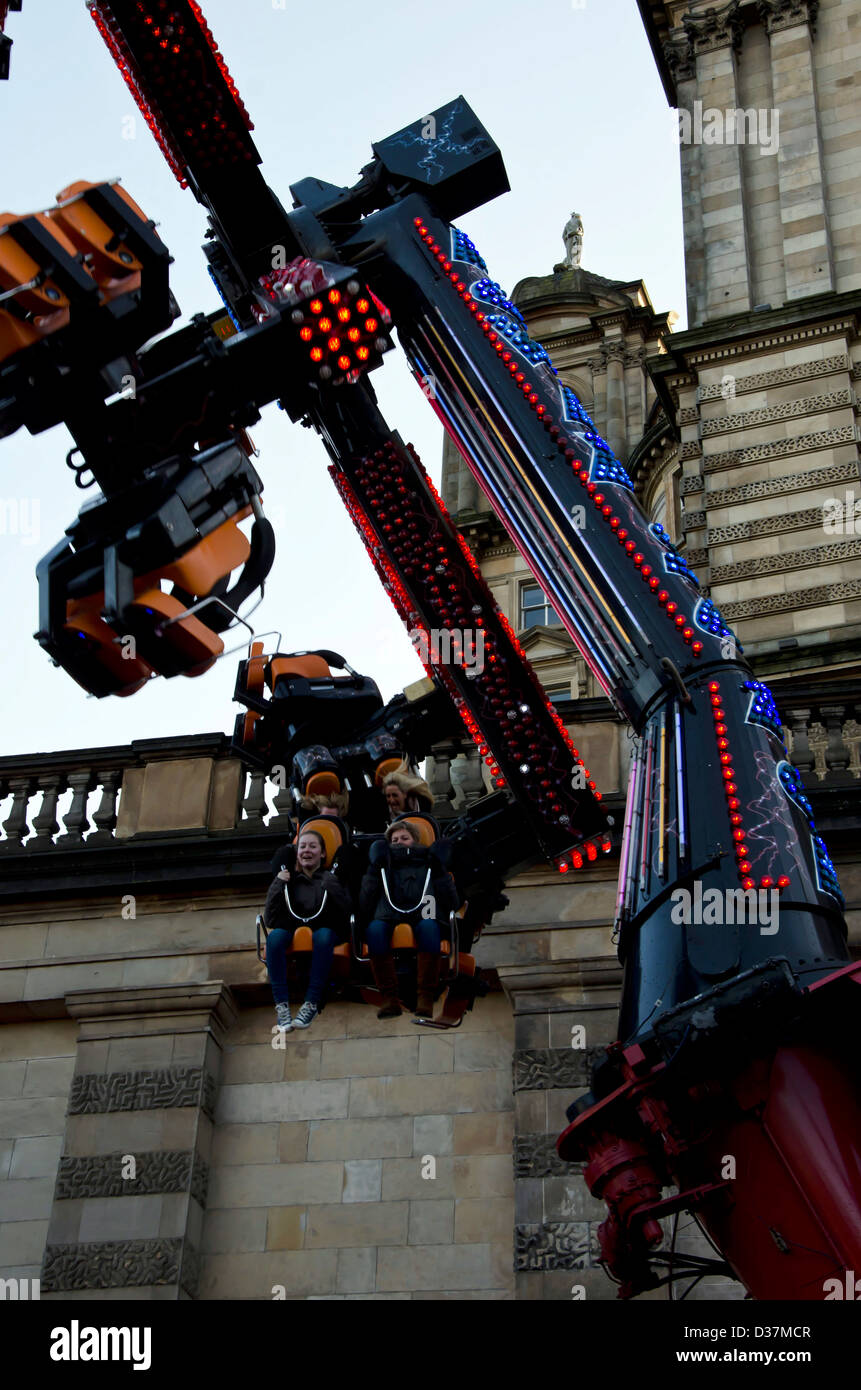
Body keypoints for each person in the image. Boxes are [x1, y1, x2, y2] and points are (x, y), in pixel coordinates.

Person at [359, 819, 460, 1020]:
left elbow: (452, 902)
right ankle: (389, 997)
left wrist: (440, 871)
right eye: (394, 839)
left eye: (404, 838)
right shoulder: (381, 866)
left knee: (429, 928)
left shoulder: (428, 863)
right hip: (388, 913)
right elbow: (364, 902)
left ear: (414, 840)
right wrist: (373, 872)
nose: (398, 842)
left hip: (424, 911)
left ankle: (426, 996)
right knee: (375, 930)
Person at [263, 827, 350, 1032]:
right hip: (292, 928)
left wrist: (333, 885)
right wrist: (278, 883)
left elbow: (346, 910)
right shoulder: (289, 881)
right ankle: (282, 1006)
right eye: (302, 846)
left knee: (323, 936)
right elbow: (270, 917)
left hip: (323, 928)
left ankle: (311, 1002)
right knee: (275, 938)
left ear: (322, 853)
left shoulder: (330, 878)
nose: (307, 851)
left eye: (312, 846)